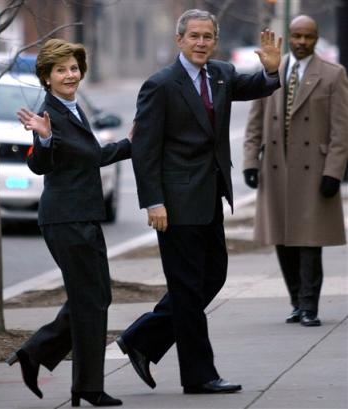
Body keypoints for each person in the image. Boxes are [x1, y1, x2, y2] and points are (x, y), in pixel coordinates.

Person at [116, 9, 281, 394]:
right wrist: (153, 202)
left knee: (213, 276)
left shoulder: (220, 74)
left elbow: (253, 85)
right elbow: (144, 150)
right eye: (194, 36)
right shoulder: (160, 84)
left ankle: (142, 338)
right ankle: (199, 375)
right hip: (174, 204)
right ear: (179, 40)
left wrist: (271, 73)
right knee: (187, 289)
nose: (202, 43)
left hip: (209, 196)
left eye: (208, 36)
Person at [6, 39, 131, 407]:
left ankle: (37, 353)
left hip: (83, 215)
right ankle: (86, 386)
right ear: (46, 77)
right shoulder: (50, 115)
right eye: (60, 70)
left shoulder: (71, 108)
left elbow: (86, 155)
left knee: (96, 297)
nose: (70, 74)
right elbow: (41, 163)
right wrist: (43, 140)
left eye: (74, 68)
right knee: (90, 300)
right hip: (66, 218)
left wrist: (129, 143)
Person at [243, 15, 348, 327]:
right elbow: (254, 120)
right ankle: (294, 301)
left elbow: (341, 130)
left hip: (314, 170)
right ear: (289, 36)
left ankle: (309, 306)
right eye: (297, 36)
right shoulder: (271, 71)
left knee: (309, 240)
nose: (302, 42)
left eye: (308, 37)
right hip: (276, 168)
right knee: (283, 238)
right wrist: (250, 161)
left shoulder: (333, 74)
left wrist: (334, 171)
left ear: (316, 39)